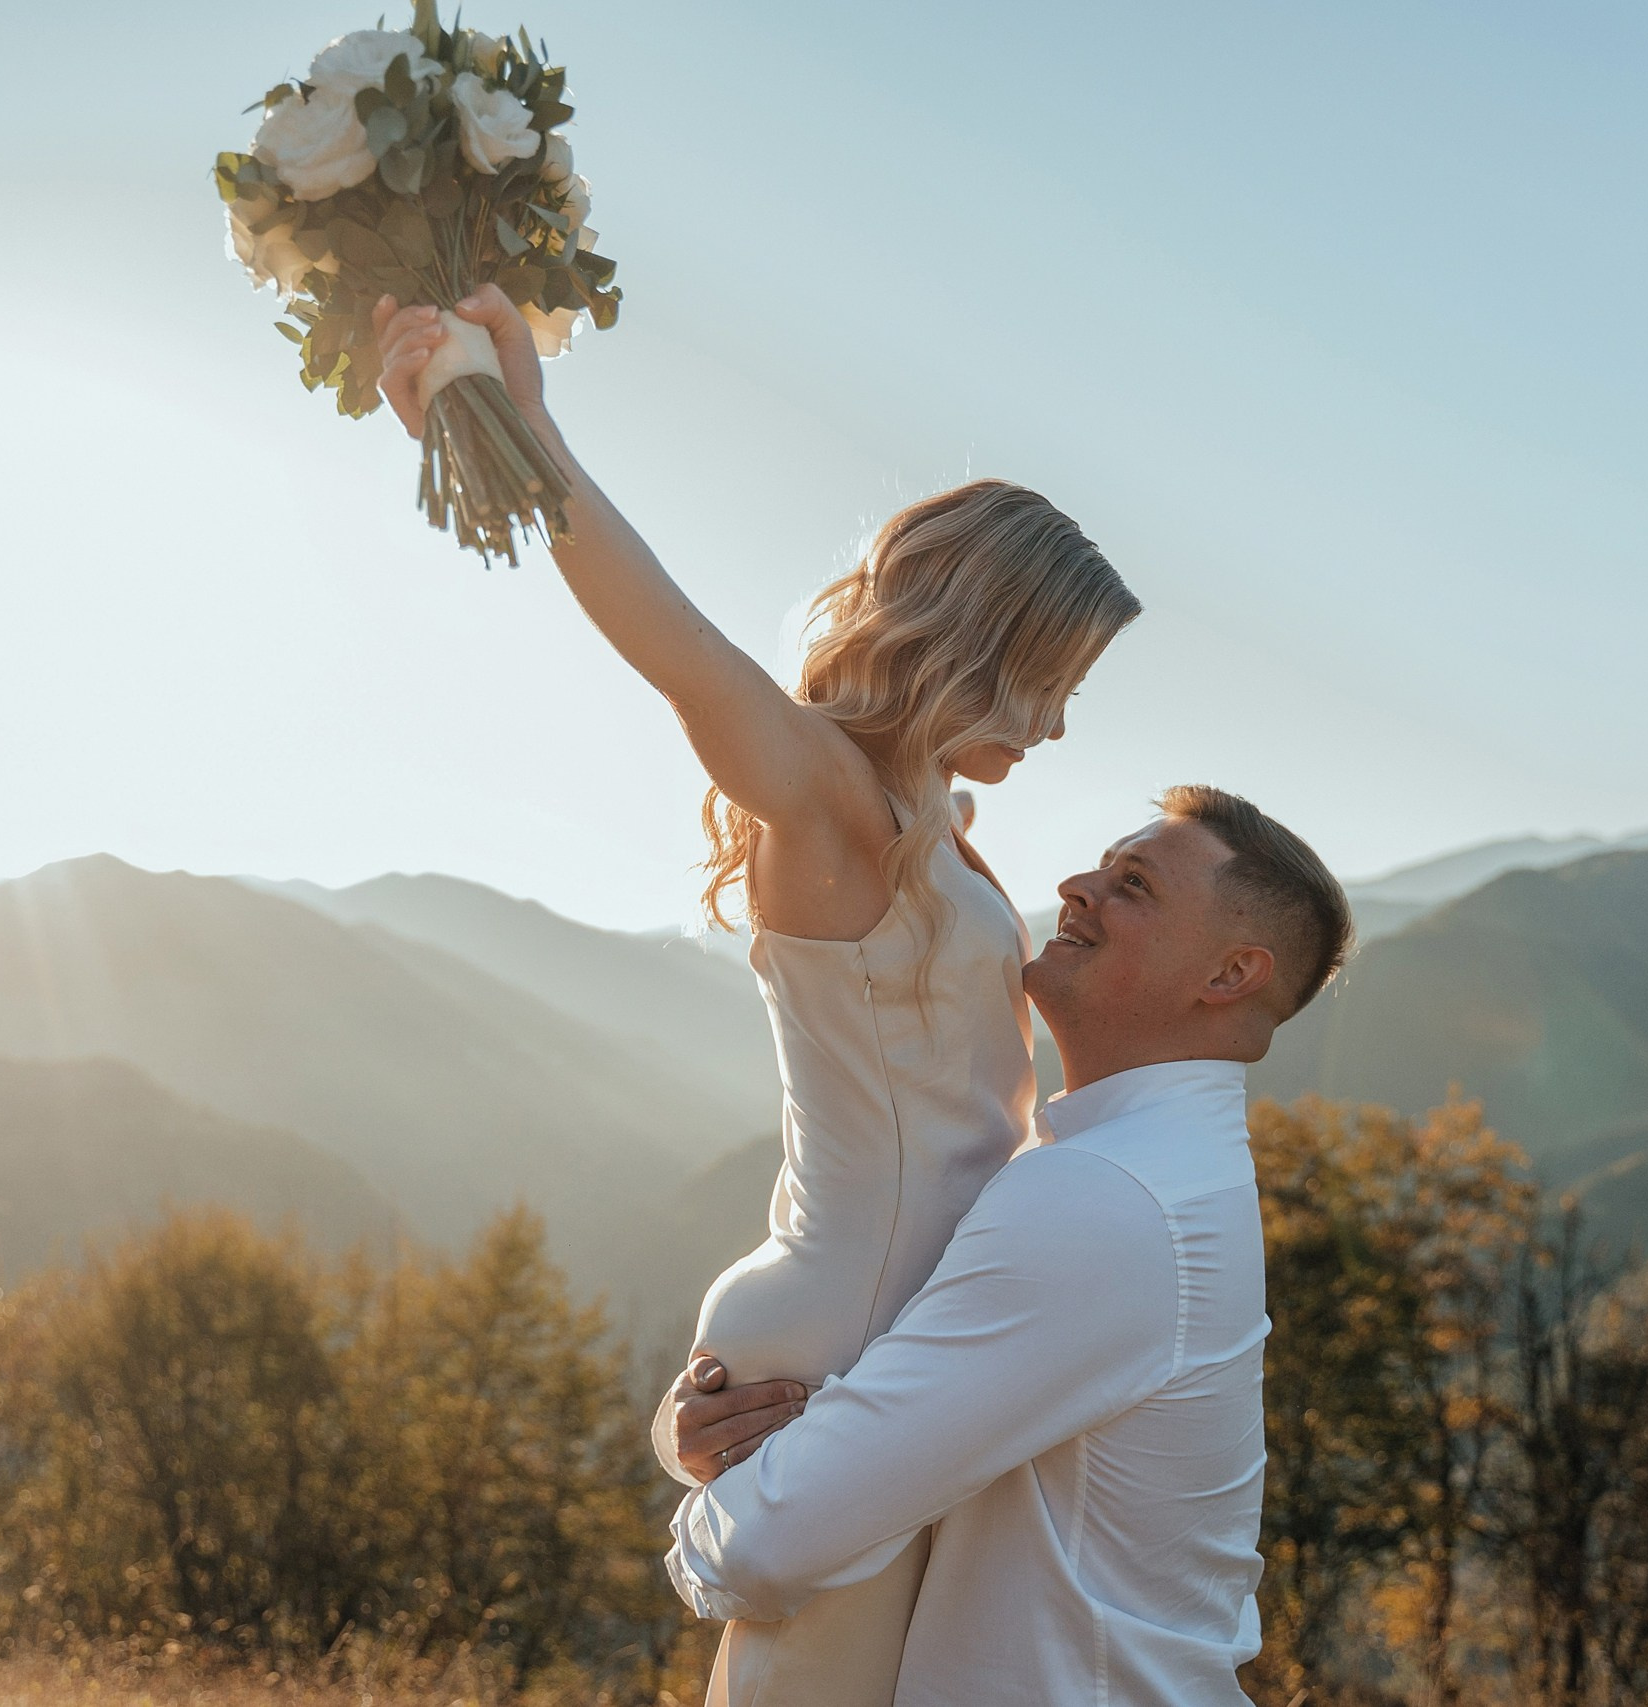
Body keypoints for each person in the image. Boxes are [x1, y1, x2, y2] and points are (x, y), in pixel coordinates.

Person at [369, 286, 1143, 1707]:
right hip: (851, 1334)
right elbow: (674, 643)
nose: (1054, 725)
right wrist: (527, 425)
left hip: (883, 1322)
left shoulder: (921, 815)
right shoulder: (830, 798)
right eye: (1049, 682)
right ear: (975, 639)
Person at [663, 786, 1353, 1707]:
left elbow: (771, 1542)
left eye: (1134, 884)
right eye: (1103, 865)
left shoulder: (1108, 1200)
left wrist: (704, 1518)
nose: (1076, 886)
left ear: (1229, 975)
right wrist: (715, 1438)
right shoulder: (1155, 1170)